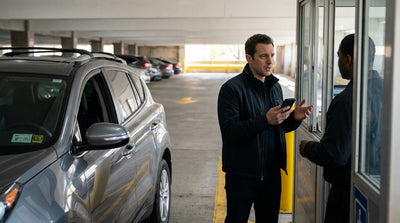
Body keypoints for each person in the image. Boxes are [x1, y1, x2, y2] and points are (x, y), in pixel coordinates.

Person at [217, 34, 313, 223]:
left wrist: (294, 118)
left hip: (271, 174)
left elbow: (278, 127)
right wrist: (264, 120)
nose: (270, 61)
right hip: (241, 175)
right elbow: (230, 131)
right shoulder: (231, 89)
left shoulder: (274, 87)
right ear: (249, 58)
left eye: (272, 55)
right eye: (263, 56)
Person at [299, 33, 382, 223]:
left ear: (348, 59)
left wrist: (307, 148)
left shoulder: (347, 101)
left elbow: (334, 154)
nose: (338, 61)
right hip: (380, 185)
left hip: (347, 194)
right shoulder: (388, 92)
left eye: (338, 56)